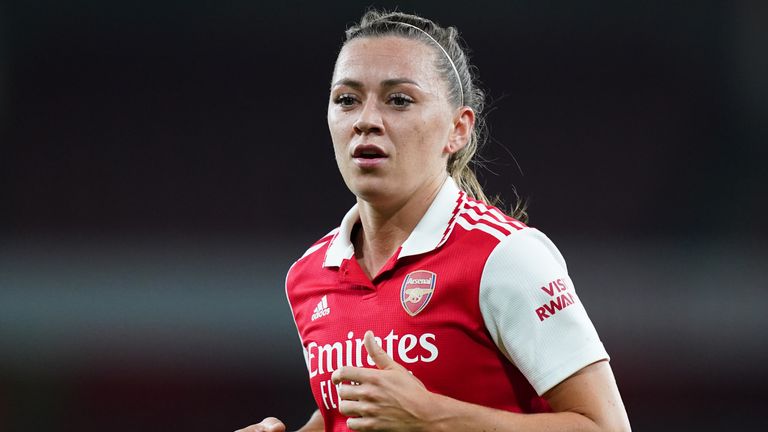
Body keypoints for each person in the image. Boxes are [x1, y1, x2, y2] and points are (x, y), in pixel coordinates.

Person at [237, 9, 630, 432]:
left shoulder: (504, 257)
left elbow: (606, 427)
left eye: (399, 100)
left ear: (457, 130)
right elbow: (349, 415)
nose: (366, 120)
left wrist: (431, 417)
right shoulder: (309, 275)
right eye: (347, 100)